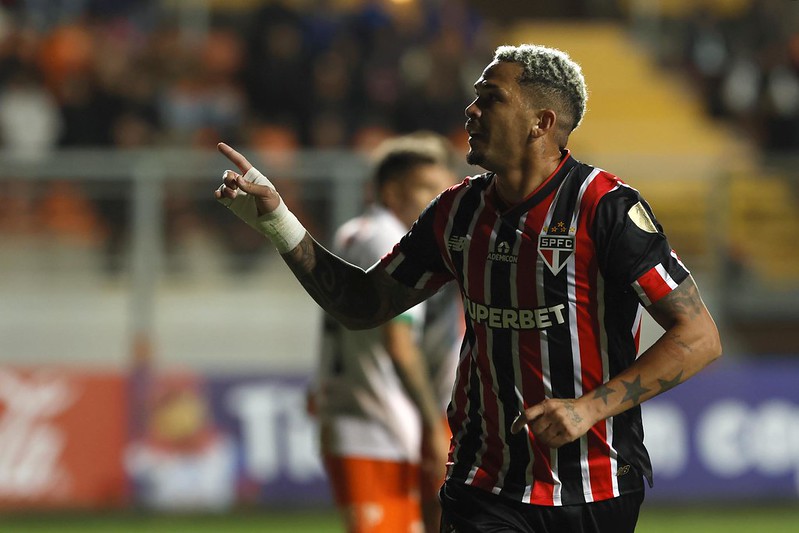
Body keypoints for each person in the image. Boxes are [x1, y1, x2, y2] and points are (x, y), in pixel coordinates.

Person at [215, 43, 722, 533]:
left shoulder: (606, 209)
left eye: (491, 98)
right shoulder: (455, 211)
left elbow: (699, 337)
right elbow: (363, 304)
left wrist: (589, 407)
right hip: (482, 484)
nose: (471, 110)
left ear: (540, 123)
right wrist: (280, 224)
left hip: (594, 487)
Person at [308, 132, 461, 533]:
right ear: (392, 192)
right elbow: (399, 344)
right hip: (376, 424)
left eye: (444, 189)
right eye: (427, 189)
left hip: (366, 419)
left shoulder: (354, 232)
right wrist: (433, 425)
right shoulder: (387, 238)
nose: (439, 200)